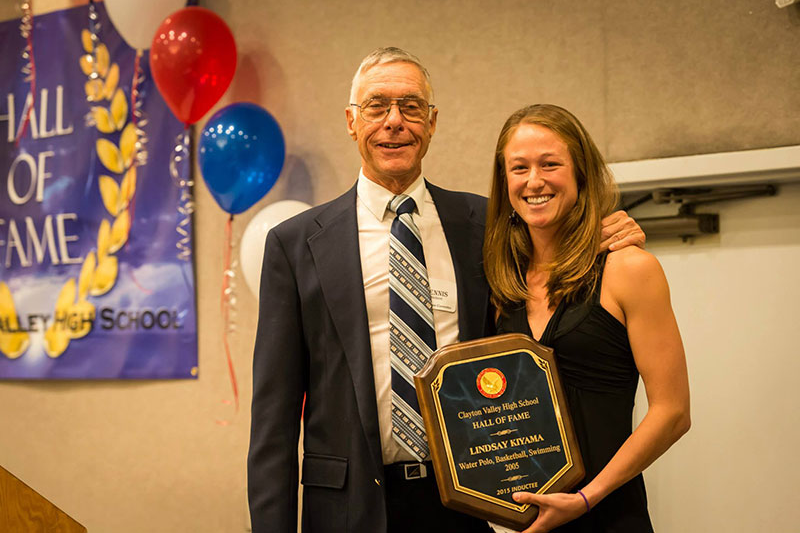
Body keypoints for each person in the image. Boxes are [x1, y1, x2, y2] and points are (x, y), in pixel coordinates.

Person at [247, 49, 644, 533]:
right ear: (351, 122)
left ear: (432, 123)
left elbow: (557, 242)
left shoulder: (489, 226)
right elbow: (274, 418)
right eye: (377, 106)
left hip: (469, 505)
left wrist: (614, 232)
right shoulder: (294, 245)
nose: (395, 122)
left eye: (411, 107)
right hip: (348, 509)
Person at [483, 104, 691, 533]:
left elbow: (673, 412)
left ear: (581, 173)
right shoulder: (503, 285)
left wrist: (585, 498)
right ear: (504, 184)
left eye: (550, 164)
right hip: (528, 523)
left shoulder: (629, 269)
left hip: (609, 515)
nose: (534, 181)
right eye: (518, 168)